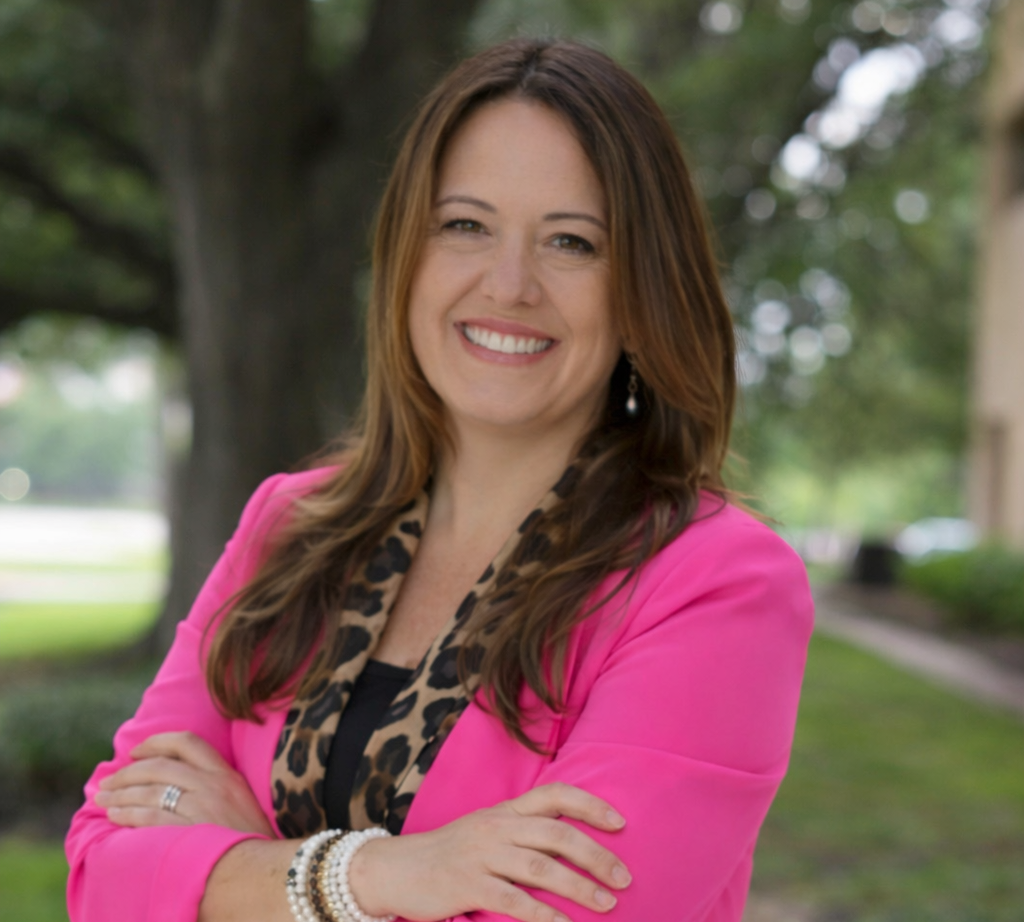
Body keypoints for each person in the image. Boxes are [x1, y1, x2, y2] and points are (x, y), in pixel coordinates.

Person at [66, 37, 813, 922]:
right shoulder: (290, 525)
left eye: (571, 243)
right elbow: (102, 874)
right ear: (406, 256)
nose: (508, 284)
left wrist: (246, 865)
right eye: (465, 225)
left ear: (642, 289)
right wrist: (380, 876)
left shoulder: (715, 584)